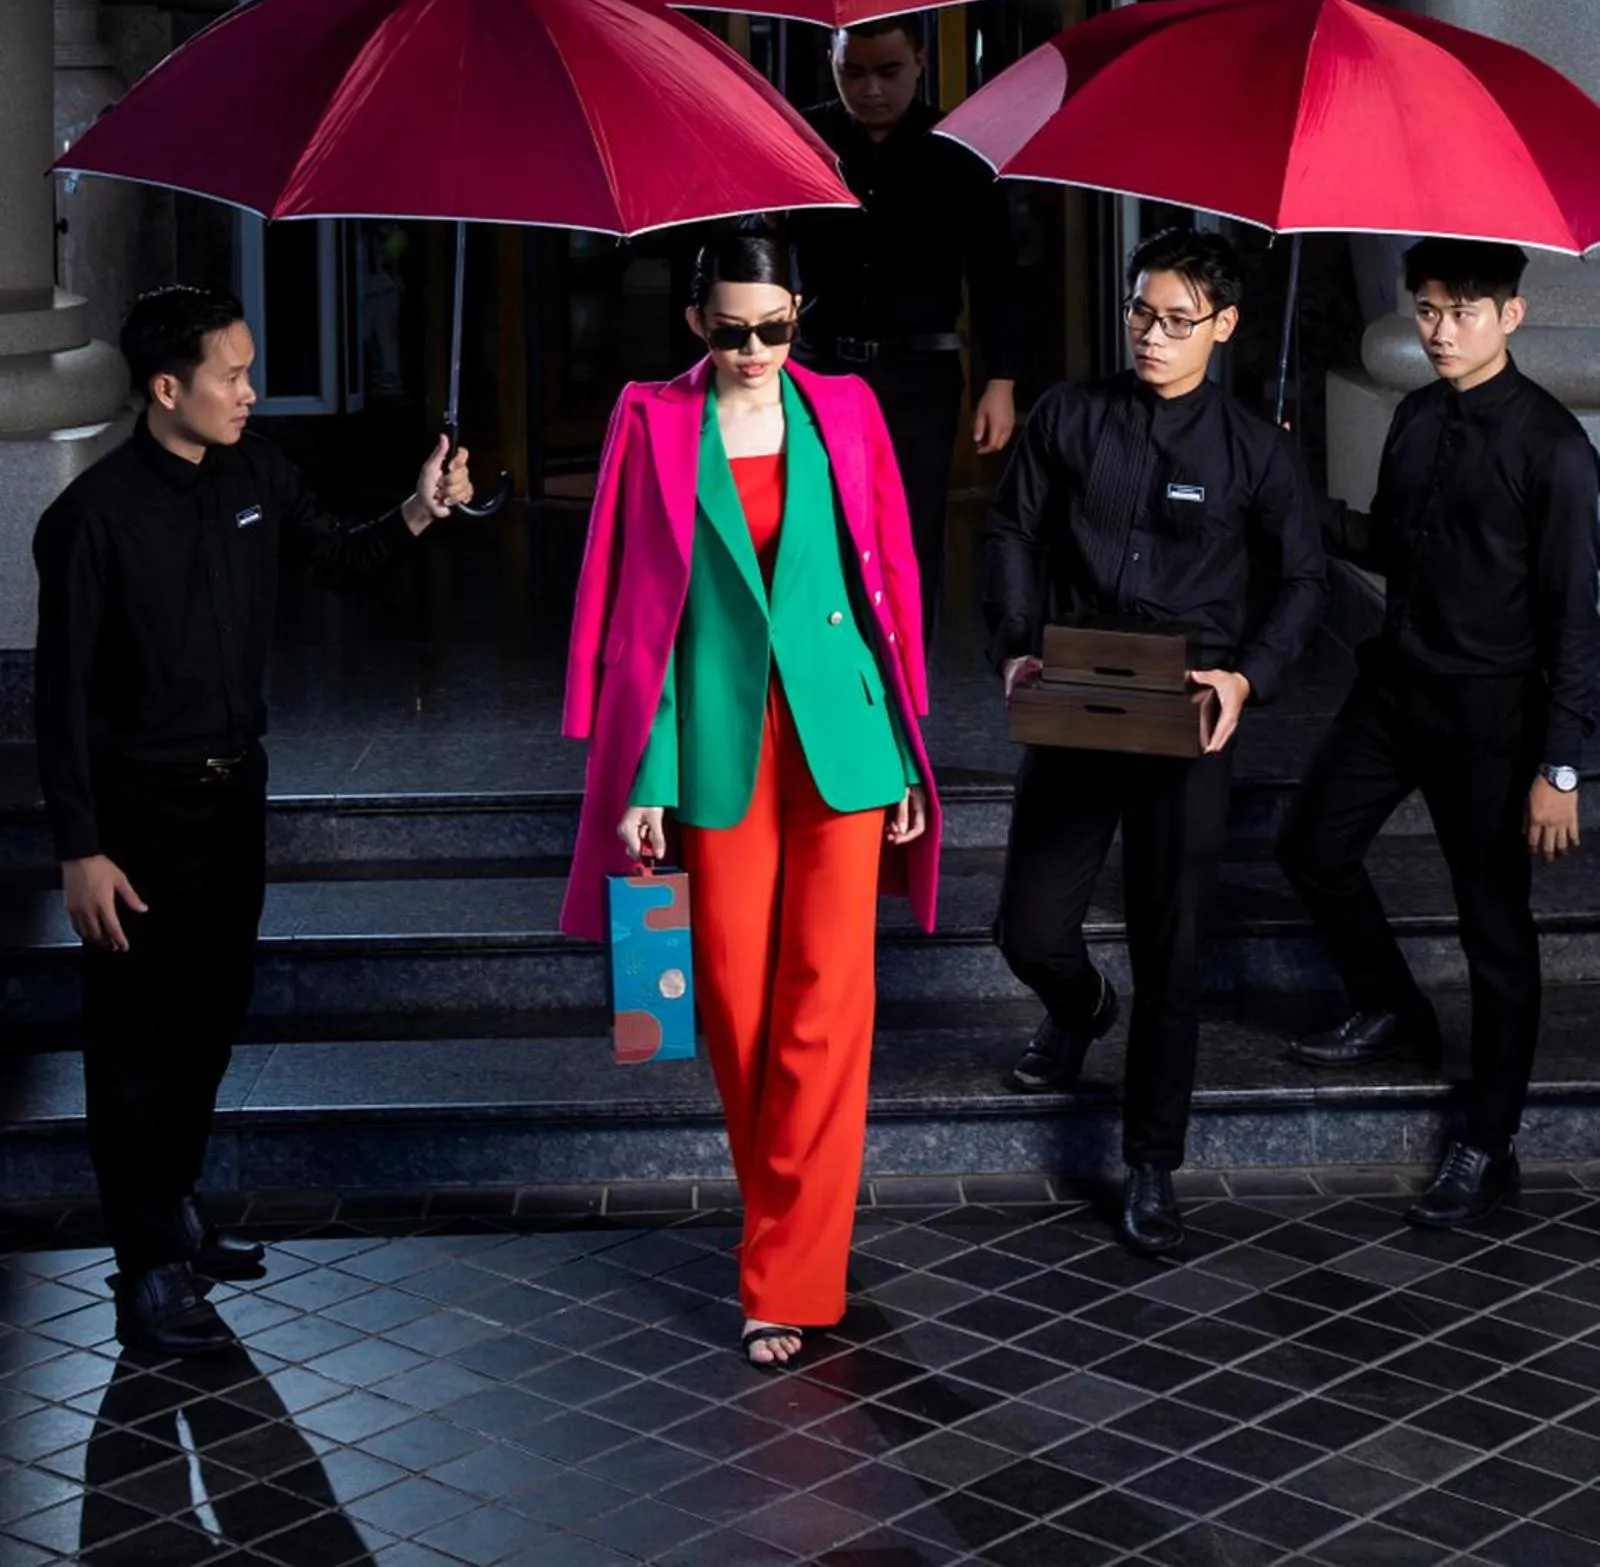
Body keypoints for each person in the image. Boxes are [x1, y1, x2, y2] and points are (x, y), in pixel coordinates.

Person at [33, 286, 473, 1355]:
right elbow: (63, 698)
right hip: (136, 817)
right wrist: (80, 846)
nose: (251, 389)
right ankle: (145, 1269)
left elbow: (339, 559)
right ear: (166, 385)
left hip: (235, 799)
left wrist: (421, 506)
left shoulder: (258, 475)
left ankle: (173, 1205)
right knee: (135, 1041)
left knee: (210, 1016)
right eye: (232, 373)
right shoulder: (88, 519)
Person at [560, 230, 940, 1365]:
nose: (755, 349)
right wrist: (642, 772)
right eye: (730, 330)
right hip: (717, 739)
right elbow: (642, 613)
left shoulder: (847, 408)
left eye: (775, 326)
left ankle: (786, 1269)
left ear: (797, 313)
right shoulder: (650, 419)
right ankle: (786, 1217)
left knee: (829, 1003)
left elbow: (893, 578)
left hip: (842, 738)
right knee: (730, 1001)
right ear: (694, 324)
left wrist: (911, 749)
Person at [986, 226, 1326, 1255]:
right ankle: (1080, 1004)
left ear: (1223, 327)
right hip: (1078, 690)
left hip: (1188, 708)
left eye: (1179, 319)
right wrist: (1014, 642)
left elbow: (1305, 579)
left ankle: (1149, 1163)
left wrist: (1246, 674)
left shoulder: (1257, 450)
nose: (1152, 334)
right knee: (1028, 927)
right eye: (1141, 310)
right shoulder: (1068, 414)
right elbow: (1010, 527)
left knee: (1170, 947)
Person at [1278, 239, 1600, 1228]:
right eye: (1425, 309)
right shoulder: (1416, 415)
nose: (1438, 329)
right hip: (1395, 688)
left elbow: (1576, 616)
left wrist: (1562, 764)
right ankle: (1391, 1002)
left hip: (1494, 716)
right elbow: (1388, 542)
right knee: (1310, 845)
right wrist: (1299, 493)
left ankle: (1487, 1141)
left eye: (1462, 310)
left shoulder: (1551, 447)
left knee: (1491, 925)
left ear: (1509, 313)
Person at [787, 17, 1025, 625]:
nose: (870, 89)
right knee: (817, 521)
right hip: (818, 365)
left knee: (911, 528)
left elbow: (997, 273)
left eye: (888, 71)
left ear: (920, 60)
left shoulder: (960, 151)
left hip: (921, 372)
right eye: (853, 71)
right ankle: (825, 669)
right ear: (831, 59)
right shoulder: (801, 139)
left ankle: (905, 674)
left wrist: (1000, 380)